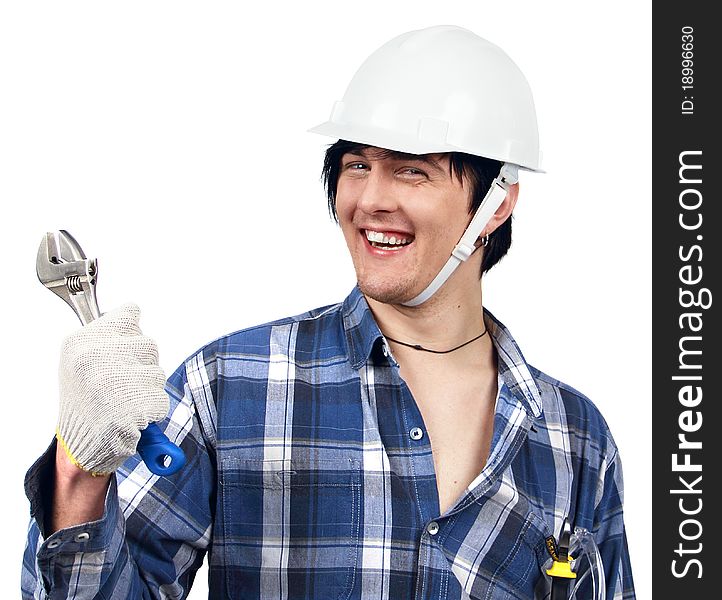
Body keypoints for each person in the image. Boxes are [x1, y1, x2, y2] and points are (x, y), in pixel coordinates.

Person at [22, 25, 635, 599]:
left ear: (497, 204)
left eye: (411, 171)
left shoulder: (574, 439)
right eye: (356, 166)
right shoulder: (231, 387)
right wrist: (81, 475)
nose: (369, 200)